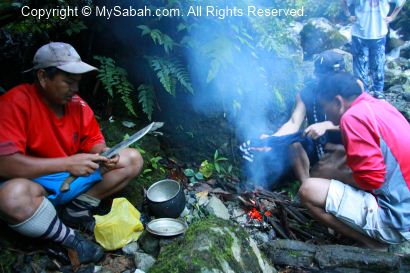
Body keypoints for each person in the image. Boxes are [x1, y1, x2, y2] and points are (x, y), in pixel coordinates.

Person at [0, 42, 144, 264]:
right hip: (35, 188)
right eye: (68, 81)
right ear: (42, 77)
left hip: (71, 179)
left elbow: (93, 140)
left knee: (132, 159)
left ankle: (77, 210)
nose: (75, 89)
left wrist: (104, 152)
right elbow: (5, 164)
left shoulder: (77, 105)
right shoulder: (15, 103)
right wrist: (67, 164)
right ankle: (69, 238)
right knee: (10, 197)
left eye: (77, 82)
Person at [296, 72, 410, 248]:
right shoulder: (380, 106)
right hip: (405, 202)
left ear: (338, 102)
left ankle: (371, 243)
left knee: (308, 190)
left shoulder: (352, 118)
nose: (325, 114)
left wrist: (334, 173)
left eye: (325, 107)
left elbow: (372, 180)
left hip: (397, 220)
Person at [341, 0, 406, 99]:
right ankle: (364, 95)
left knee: (378, 67)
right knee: (361, 71)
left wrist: (392, 17)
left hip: (378, 34)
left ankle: (378, 93)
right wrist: (348, 15)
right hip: (359, 35)